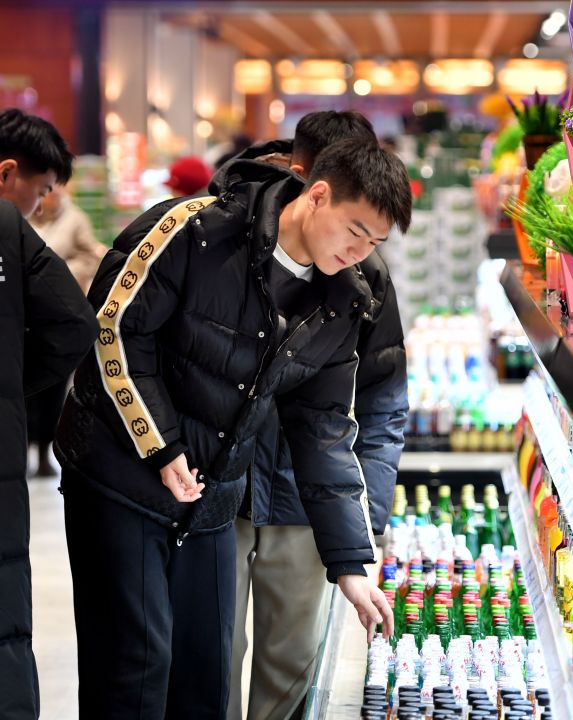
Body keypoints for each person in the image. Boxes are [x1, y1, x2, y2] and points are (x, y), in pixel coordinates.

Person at [54, 134, 411, 718]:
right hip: (120, 479)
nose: (359, 252)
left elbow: (322, 429)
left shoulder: (343, 298)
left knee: (204, 677)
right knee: (135, 671)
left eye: (374, 242)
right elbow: (112, 330)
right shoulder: (193, 229)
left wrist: (349, 563)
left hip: (211, 495)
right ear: (318, 195)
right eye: (355, 231)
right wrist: (160, 445)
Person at [226, 112, 407, 720]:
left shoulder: (363, 275)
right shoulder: (220, 235)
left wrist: (363, 520)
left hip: (308, 500)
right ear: (309, 182)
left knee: (292, 668)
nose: (356, 246)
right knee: (211, 659)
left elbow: (382, 399)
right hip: (215, 492)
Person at [0, 108, 99, 720]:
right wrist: (13, 381)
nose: (39, 206)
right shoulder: (8, 228)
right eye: (39, 191)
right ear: (6, 172)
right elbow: (73, 324)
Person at [26, 185, 106, 477]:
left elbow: (89, 256)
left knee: (53, 388)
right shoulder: (20, 216)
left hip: (58, 314)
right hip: (26, 314)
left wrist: (58, 274)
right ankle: (22, 448)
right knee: (24, 389)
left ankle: (44, 452)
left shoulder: (75, 218)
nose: (49, 196)